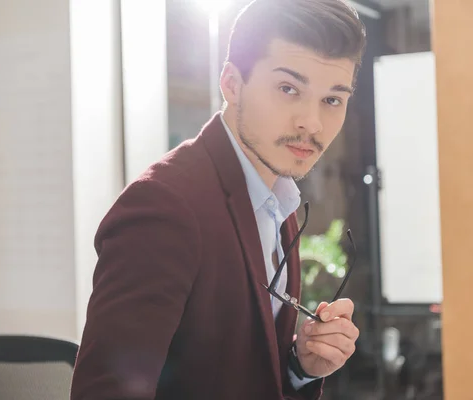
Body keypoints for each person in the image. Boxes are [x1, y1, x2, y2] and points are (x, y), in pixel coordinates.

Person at [70, 0, 366, 398]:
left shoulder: (277, 200)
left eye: (332, 99)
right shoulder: (164, 207)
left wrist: (301, 366)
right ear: (231, 84)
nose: (311, 123)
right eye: (288, 88)